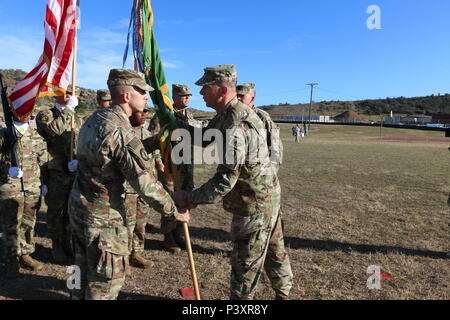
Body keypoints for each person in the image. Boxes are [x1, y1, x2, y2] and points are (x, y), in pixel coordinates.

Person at [173, 64, 293, 300]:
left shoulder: (235, 123)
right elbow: (205, 138)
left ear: (220, 89)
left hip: (254, 204)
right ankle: (284, 293)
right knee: (273, 249)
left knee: (244, 266)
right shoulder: (226, 114)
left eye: (205, 88)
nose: (200, 93)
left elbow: (225, 180)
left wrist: (189, 198)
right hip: (263, 197)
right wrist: (176, 123)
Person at [68, 68, 189, 300]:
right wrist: (174, 211)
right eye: (142, 91)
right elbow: (144, 182)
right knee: (104, 283)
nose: (146, 96)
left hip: (80, 210)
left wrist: (155, 141)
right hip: (104, 220)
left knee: (79, 276)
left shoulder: (94, 119)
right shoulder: (120, 129)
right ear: (126, 96)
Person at [36, 86, 80, 264]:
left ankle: (67, 243)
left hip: (74, 170)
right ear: (57, 93)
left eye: (72, 92)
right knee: (55, 210)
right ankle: (56, 245)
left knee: (71, 210)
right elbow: (55, 130)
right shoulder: (46, 114)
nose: (69, 95)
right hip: (54, 171)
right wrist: (69, 109)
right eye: (66, 92)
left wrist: (79, 160)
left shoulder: (76, 116)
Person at [0, 113, 47, 278]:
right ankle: (11, 258)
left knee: (28, 223)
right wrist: (6, 169)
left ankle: (25, 253)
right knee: (11, 224)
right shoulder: (5, 134)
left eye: (29, 110)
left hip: (32, 187)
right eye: (22, 110)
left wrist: (45, 182)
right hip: (10, 188)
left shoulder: (35, 136)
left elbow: (44, 161)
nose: (26, 114)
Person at [125, 106, 163, 269]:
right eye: (141, 111)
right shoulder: (124, 134)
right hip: (128, 187)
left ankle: (136, 252)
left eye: (147, 112)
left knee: (141, 222)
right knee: (127, 223)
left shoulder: (147, 135)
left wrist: (160, 164)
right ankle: (124, 255)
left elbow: (155, 155)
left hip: (145, 186)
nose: (144, 114)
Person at [237, 82, 283, 172]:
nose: (238, 98)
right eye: (237, 95)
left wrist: (272, 169)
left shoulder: (262, 117)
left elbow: (275, 145)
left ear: (252, 99)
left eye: (242, 96)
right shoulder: (235, 116)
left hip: (258, 171)